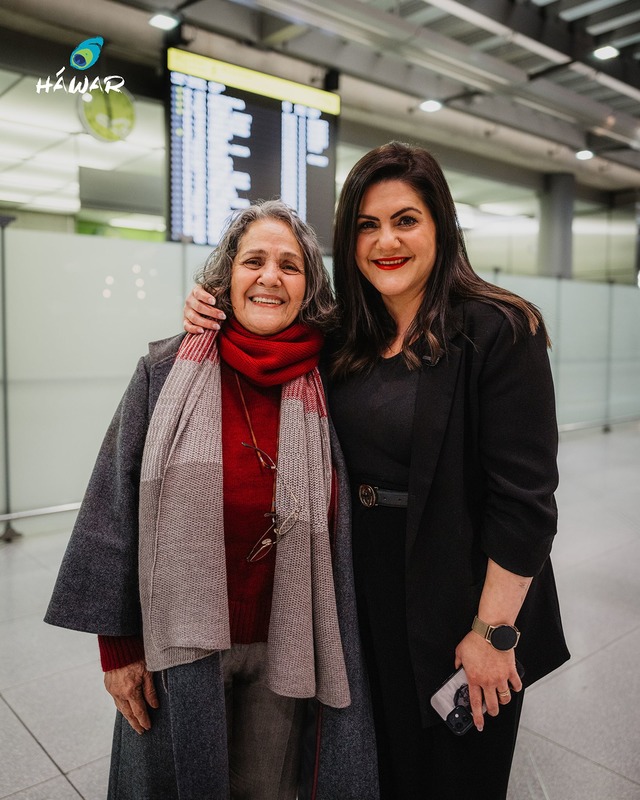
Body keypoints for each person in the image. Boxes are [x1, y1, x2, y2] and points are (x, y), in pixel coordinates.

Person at [183, 142, 570, 799]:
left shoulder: (500, 330)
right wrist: (208, 308)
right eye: (367, 225)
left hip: (462, 596)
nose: (385, 240)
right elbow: (264, 324)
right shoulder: (340, 336)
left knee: (454, 775)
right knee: (374, 770)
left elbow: (525, 503)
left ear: (441, 227)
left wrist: (492, 633)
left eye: (405, 220)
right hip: (362, 592)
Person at [45, 200, 379, 800]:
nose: (270, 277)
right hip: (180, 643)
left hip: (289, 642)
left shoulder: (333, 378)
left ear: (311, 287)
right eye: (253, 260)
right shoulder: (167, 369)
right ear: (226, 278)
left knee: (268, 789)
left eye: (290, 265)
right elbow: (113, 505)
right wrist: (118, 648)